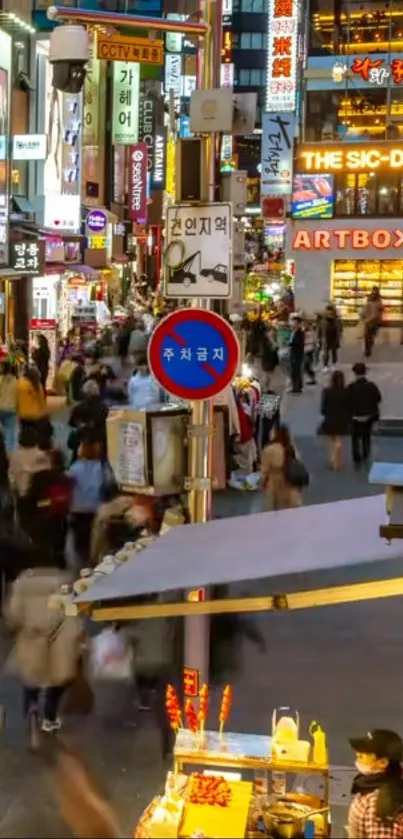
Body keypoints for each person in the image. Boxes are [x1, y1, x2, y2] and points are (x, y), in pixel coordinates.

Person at [5, 561, 83, 735]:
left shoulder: (21, 584)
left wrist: (25, 626)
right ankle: (49, 718)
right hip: (59, 641)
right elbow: (72, 614)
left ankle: (31, 708)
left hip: (31, 639)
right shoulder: (65, 583)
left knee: (31, 675)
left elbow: (13, 615)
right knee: (57, 681)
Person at [347, 729, 403, 838]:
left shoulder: (379, 802)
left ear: (383, 762)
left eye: (366, 752)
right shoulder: (370, 787)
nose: (358, 753)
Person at [26, 449, 72, 568]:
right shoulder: (64, 477)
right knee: (58, 544)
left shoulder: (39, 477)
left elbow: (31, 498)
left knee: (44, 544)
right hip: (59, 516)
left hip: (43, 515)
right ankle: (59, 562)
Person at [68, 437, 110, 568]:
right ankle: (94, 563)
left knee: (80, 543)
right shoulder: (103, 467)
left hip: (78, 509)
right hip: (97, 508)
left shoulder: (75, 467)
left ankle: (82, 568)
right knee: (96, 540)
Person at [260, 423, 303, 510]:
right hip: (290, 481)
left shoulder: (269, 449)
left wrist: (263, 484)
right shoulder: (291, 447)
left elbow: (264, 470)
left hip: (274, 482)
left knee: (273, 509)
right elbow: (297, 462)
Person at [347, 362, 382, 469]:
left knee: (355, 437)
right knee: (366, 435)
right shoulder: (371, 386)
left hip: (355, 416)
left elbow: (346, 402)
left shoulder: (351, 387)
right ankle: (365, 453)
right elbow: (378, 398)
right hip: (369, 416)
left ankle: (356, 456)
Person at [68, 379, 108, 463]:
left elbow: (72, 423)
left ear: (85, 393)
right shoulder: (104, 408)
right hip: (99, 440)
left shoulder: (79, 408)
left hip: (83, 440)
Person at [9, 424, 51, 499]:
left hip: (21, 495)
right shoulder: (42, 456)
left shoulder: (15, 456)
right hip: (40, 496)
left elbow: (12, 477)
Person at [320, 370, 350, 471]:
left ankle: (334, 460)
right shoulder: (346, 391)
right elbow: (349, 406)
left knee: (332, 440)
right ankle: (338, 461)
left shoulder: (327, 391)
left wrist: (325, 413)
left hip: (330, 417)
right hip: (342, 418)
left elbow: (323, 406)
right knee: (338, 439)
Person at [16, 366, 47, 431]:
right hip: (35, 415)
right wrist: (43, 412)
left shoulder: (21, 385)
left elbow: (17, 399)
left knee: (24, 432)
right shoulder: (38, 386)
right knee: (34, 433)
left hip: (23, 414)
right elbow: (41, 401)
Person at [0, 359, 17, 451]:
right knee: (10, 432)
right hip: (11, 409)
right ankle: (9, 451)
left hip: (0, 408)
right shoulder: (15, 381)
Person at [363, 286, 383, 358]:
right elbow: (365, 309)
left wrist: (380, 319)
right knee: (367, 336)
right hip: (369, 320)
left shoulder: (379, 300)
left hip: (375, 321)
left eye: (376, 291)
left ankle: (368, 348)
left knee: (371, 336)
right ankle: (367, 350)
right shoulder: (370, 299)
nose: (374, 292)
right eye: (374, 291)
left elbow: (381, 310)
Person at [289, 316, 305, 393]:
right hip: (293, 353)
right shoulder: (294, 331)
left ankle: (296, 388)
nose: (292, 324)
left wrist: (290, 343)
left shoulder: (300, 332)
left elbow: (299, 343)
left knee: (296, 371)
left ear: (298, 323)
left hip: (297, 354)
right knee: (295, 370)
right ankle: (298, 386)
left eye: (294, 322)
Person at [323, 304, 341, 370]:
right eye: (328, 312)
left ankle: (333, 364)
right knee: (326, 353)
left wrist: (338, 341)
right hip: (326, 339)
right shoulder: (323, 320)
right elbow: (320, 329)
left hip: (333, 339)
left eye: (330, 312)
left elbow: (339, 331)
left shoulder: (336, 321)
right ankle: (325, 366)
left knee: (334, 353)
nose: (329, 314)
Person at [303, 320, 317, 385]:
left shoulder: (310, 333)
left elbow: (313, 341)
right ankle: (311, 378)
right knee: (306, 366)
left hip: (308, 351)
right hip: (306, 350)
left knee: (307, 365)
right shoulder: (304, 332)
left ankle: (312, 378)